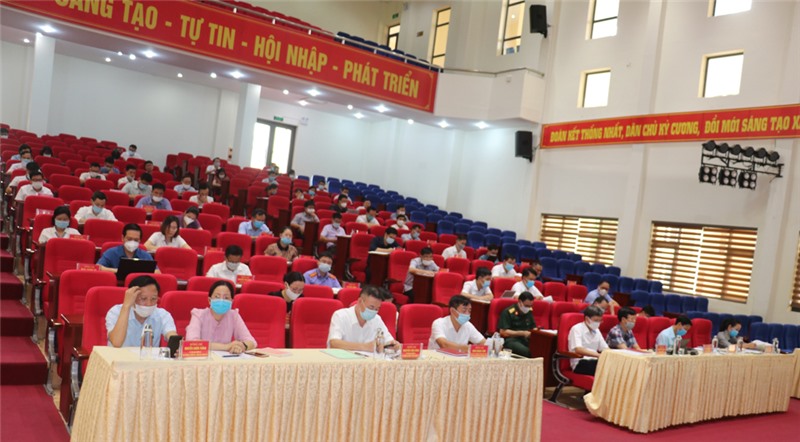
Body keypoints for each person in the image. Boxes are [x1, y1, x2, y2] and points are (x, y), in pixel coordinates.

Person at [185, 281, 256, 353]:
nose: (221, 300)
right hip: (201, 358)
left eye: (226, 297)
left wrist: (242, 346)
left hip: (224, 359)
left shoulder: (234, 315)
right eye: (217, 297)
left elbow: (252, 342)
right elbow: (191, 343)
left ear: (231, 301)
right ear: (209, 300)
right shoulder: (198, 314)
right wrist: (226, 347)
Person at [106, 275, 176, 347]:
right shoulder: (116, 312)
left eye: (153, 299)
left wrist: (175, 342)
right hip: (118, 354)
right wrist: (126, 306)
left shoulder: (162, 315)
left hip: (148, 354)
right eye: (143, 298)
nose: (149, 304)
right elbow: (116, 342)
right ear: (132, 297)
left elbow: (172, 335)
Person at [327, 286, 398, 350]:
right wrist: (365, 347)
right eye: (371, 307)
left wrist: (393, 345)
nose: (373, 311)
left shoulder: (377, 319)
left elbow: (388, 340)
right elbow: (334, 343)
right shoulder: (340, 316)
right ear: (360, 301)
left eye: (377, 309)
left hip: (369, 359)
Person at [567, 305, 608, 375]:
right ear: (587, 319)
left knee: (613, 365)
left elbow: (605, 348)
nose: (598, 323)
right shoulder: (576, 329)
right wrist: (598, 355)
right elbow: (578, 349)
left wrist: (614, 355)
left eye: (600, 321)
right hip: (580, 362)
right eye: (596, 320)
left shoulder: (597, 330)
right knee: (604, 367)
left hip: (595, 360)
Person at [498, 292, 537, 357]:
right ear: (520, 302)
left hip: (526, 340)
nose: (528, 308)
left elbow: (533, 327)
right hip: (512, 340)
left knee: (540, 349)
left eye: (530, 306)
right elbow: (503, 332)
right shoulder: (508, 312)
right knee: (528, 352)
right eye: (526, 306)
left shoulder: (529, 311)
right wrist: (522, 333)